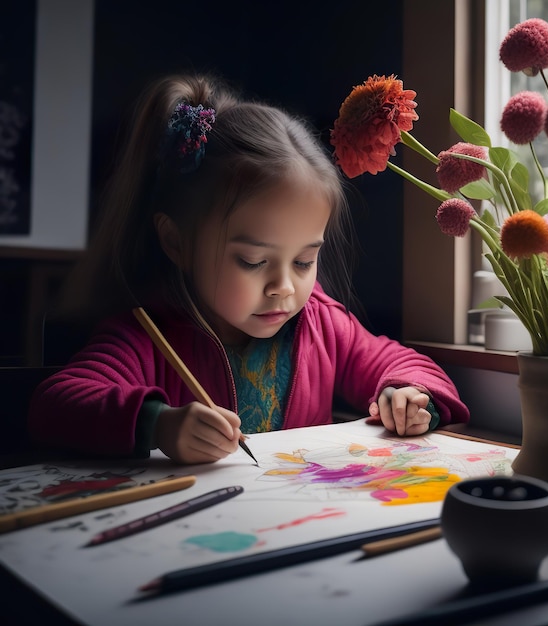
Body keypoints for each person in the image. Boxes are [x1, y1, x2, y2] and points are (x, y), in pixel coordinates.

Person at [28, 73, 469, 465]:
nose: (283, 287)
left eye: (303, 261)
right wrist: (159, 425)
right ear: (176, 242)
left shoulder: (322, 324)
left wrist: (409, 395)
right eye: (254, 261)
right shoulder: (148, 338)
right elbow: (56, 404)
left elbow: (402, 362)